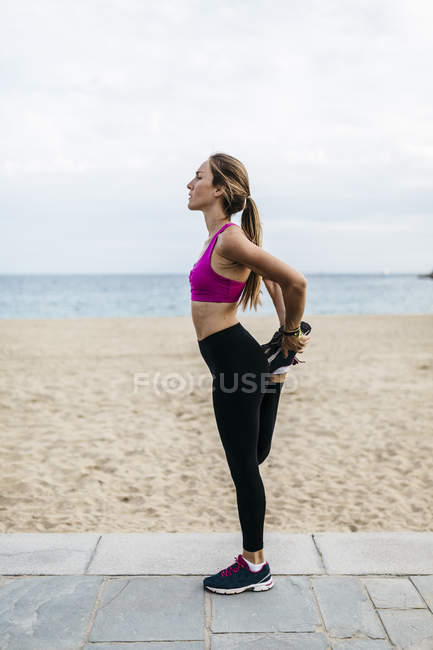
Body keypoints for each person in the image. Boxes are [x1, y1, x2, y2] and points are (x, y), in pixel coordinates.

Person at [187, 152, 310, 594]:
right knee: (251, 457)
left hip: (236, 364)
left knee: (245, 466)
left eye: (197, 177)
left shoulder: (229, 240)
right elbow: (273, 282)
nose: (189, 184)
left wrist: (292, 330)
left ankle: (254, 565)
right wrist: (283, 332)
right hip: (239, 362)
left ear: (218, 189)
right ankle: (275, 365)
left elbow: (294, 281)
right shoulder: (220, 238)